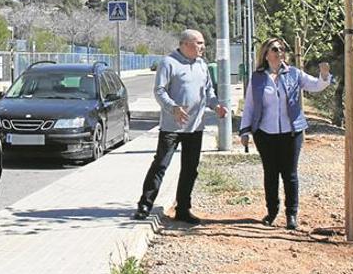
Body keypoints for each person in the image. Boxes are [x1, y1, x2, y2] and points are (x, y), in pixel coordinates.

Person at [132, 29, 227, 224]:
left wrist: (216, 106)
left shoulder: (202, 65)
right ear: (185, 44)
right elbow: (159, 90)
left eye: (202, 43)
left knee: (190, 169)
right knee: (160, 165)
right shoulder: (169, 63)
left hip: (195, 127)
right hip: (171, 127)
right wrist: (173, 108)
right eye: (198, 43)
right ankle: (144, 205)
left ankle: (183, 209)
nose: (203, 46)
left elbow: (208, 91)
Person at [239, 37, 332, 230]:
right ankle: (272, 212)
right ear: (266, 54)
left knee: (290, 174)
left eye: (282, 49)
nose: (279, 52)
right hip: (264, 134)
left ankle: (292, 215)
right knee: (270, 174)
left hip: (292, 133)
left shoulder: (294, 74)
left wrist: (324, 75)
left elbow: (316, 85)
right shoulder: (257, 78)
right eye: (275, 49)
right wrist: (245, 131)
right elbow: (249, 106)